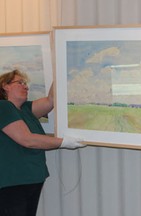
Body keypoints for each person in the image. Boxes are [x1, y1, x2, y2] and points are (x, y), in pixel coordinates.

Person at [0, 69, 86, 216]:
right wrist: (63, 142)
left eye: (26, 83)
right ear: (5, 86)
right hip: (12, 182)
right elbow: (27, 139)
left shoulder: (25, 108)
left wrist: (61, 68)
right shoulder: (3, 107)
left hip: (31, 179)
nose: (26, 86)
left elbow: (51, 100)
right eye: (20, 82)